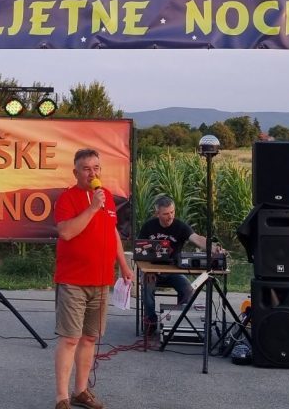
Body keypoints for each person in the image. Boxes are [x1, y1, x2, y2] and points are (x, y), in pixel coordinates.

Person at [53, 148, 134, 409]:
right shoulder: (67, 198)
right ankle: (62, 397)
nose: (92, 173)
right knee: (70, 338)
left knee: (89, 338)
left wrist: (124, 265)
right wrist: (92, 207)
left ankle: (80, 391)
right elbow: (66, 232)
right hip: (73, 280)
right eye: (86, 168)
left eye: (96, 168)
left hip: (101, 280)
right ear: (75, 172)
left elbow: (113, 232)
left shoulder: (107, 196)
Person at [135, 194, 223, 335]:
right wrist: (146, 270)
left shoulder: (180, 226)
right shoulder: (148, 227)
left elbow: (197, 239)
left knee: (188, 289)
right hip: (151, 271)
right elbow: (138, 252)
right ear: (157, 214)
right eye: (166, 214)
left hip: (173, 271)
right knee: (147, 287)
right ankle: (151, 321)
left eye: (172, 212)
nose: (170, 216)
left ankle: (179, 320)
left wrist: (213, 248)